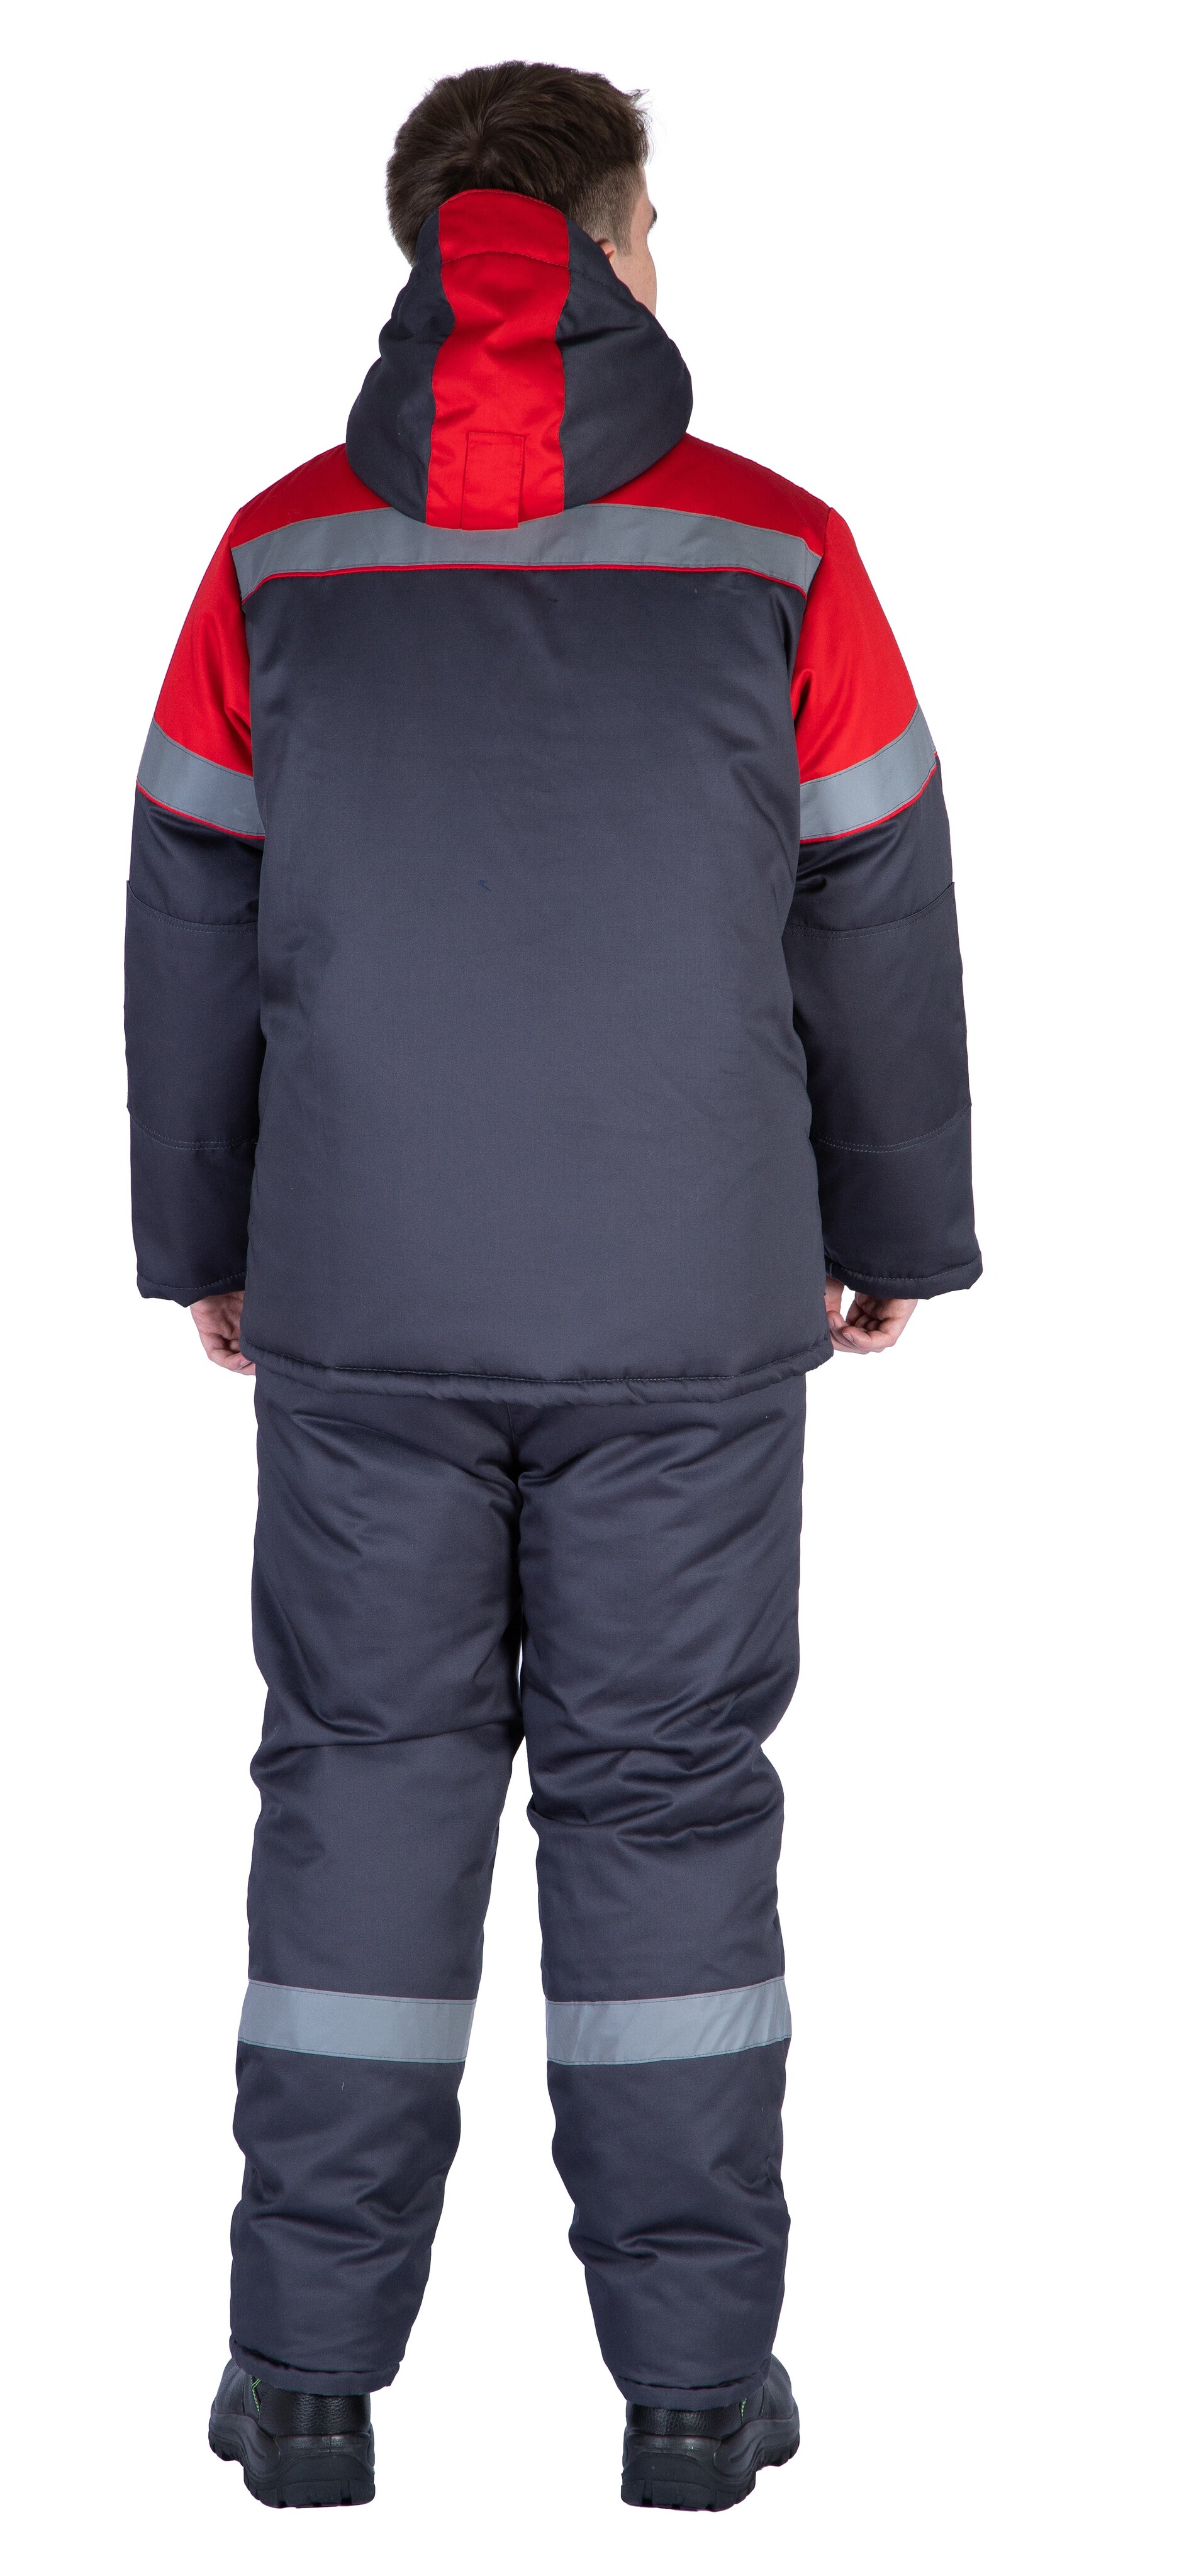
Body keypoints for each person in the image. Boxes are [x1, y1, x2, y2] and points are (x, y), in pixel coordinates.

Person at [125, 58, 980, 2513]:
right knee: (670, 1805)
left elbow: (186, 906)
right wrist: (889, 1223)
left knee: (360, 1791)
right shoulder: (778, 553)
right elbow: (875, 905)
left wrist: (208, 1237)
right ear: (609, 245)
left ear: (423, 251)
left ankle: (304, 2383)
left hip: (365, 1291)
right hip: (687, 1299)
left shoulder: (276, 556)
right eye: (655, 224)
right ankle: (694, 2396)